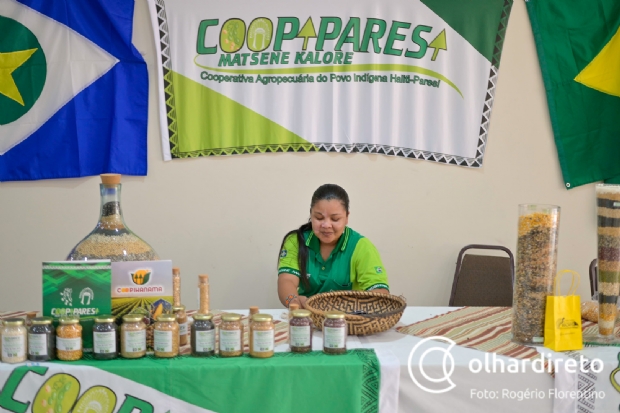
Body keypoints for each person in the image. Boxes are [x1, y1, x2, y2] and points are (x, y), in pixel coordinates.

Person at [277, 184, 389, 309]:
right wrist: (294, 303)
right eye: (319, 217)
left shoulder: (361, 246)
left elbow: (379, 292)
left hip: (348, 320)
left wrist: (351, 309)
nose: (326, 225)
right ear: (311, 214)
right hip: (306, 317)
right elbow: (287, 280)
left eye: (335, 219)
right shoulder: (296, 241)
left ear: (347, 217)